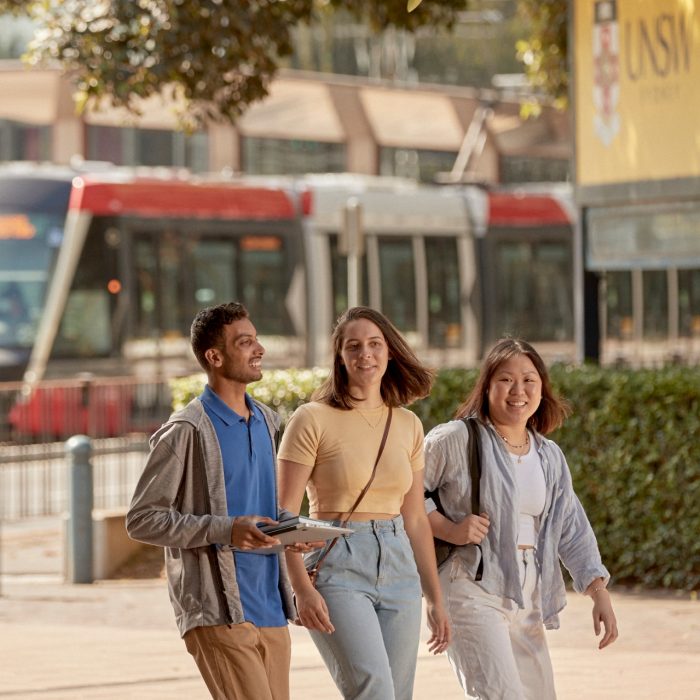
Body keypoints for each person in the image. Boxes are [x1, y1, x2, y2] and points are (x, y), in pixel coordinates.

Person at [126, 302, 307, 700]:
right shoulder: (186, 431)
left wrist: (293, 532)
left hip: (271, 608)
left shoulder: (266, 420)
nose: (259, 349)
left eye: (256, 339)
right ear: (214, 356)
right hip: (218, 609)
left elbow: (263, 507)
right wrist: (225, 530)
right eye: (246, 342)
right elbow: (142, 519)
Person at [424, 338, 618, 699]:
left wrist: (598, 590)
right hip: (471, 583)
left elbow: (571, 526)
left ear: (542, 389)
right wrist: (449, 527)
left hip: (528, 591)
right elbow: (405, 495)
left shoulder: (547, 454)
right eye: (505, 380)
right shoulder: (455, 439)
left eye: (529, 380)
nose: (518, 390)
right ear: (487, 387)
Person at [277, 306, 451, 700]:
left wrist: (436, 598)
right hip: (337, 563)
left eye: (374, 344)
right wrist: (301, 589)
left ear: (390, 352)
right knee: (374, 692)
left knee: (398, 694)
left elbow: (416, 520)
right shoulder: (311, 419)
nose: (365, 355)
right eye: (353, 347)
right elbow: (283, 514)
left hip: (398, 564)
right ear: (340, 357)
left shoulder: (408, 424)